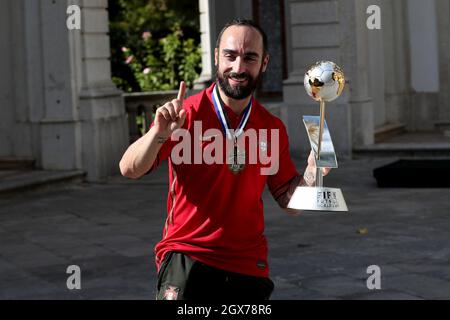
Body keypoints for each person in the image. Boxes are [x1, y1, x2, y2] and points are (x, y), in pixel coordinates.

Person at [119, 19, 330, 300]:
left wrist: (314, 173)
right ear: (217, 56)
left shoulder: (272, 127)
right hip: (188, 256)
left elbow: (290, 205)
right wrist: (158, 133)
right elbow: (128, 169)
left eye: (250, 57)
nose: (239, 68)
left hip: (248, 265)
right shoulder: (186, 115)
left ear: (264, 62)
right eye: (230, 56)